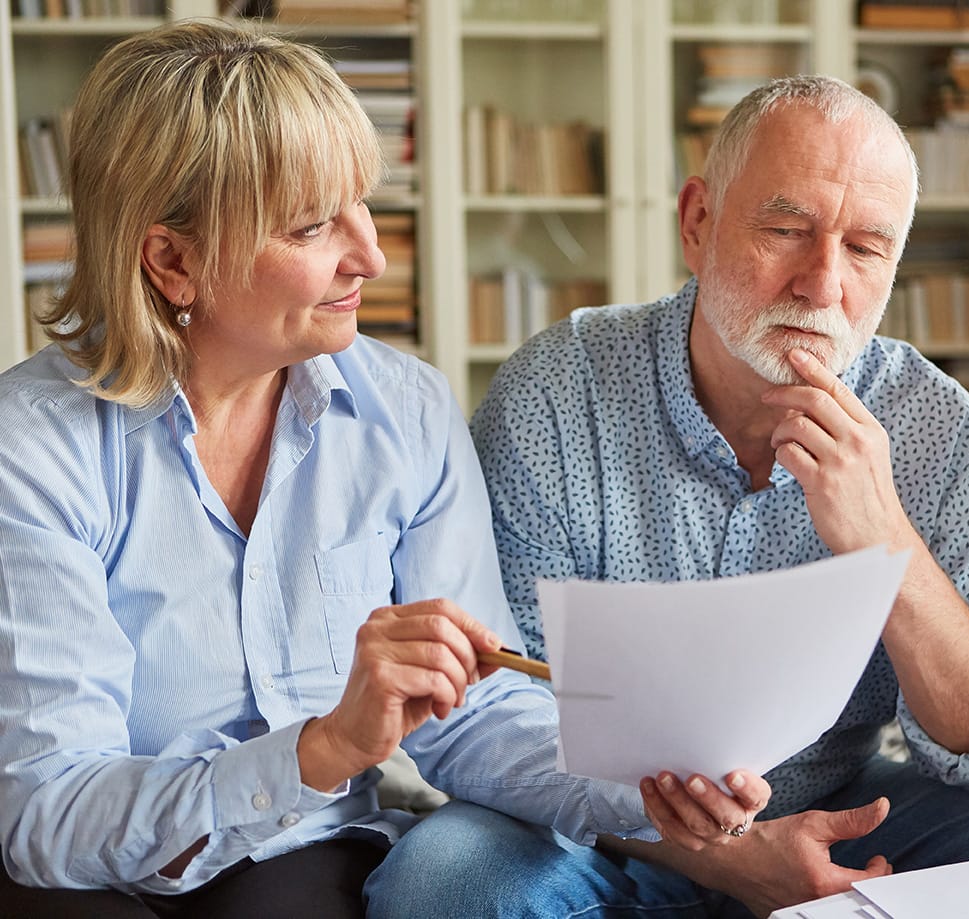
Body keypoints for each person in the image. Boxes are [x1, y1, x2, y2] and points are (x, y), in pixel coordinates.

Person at [0, 21, 768, 918]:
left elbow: (474, 717)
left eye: (361, 205)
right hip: (88, 868)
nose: (370, 256)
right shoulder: (33, 446)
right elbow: (47, 805)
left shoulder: (405, 412)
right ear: (172, 260)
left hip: (303, 848)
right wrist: (321, 749)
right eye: (311, 225)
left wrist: (643, 789)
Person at [368, 75, 969, 917]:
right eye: (787, 229)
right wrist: (724, 855)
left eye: (865, 248)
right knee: (442, 882)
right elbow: (501, 704)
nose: (822, 284)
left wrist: (885, 541)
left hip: (842, 800)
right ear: (697, 222)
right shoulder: (557, 392)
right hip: (598, 825)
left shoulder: (933, 422)